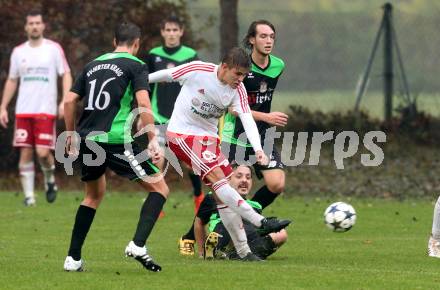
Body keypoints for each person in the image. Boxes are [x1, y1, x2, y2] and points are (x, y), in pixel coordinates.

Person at [149, 47, 291, 261]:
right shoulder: (199, 70)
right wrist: (139, 82)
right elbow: (167, 75)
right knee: (220, 181)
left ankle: (244, 252)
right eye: (238, 74)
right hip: (182, 134)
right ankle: (261, 222)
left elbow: (247, 120)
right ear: (224, 67)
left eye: (244, 75)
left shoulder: (238, 90)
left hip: (209, 140)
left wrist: (259, 150)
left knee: (224, 194)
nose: (241, 79)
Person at [62, 22, 168, 272]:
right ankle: (138, 245)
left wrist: (69, 134)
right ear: (136, 44)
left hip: (88, 138)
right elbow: (143, 102)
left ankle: (73, 259)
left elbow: (68, 101)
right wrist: (152, 138)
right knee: (160, 188)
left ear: (114, 41)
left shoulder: (92, 65)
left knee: (93, 196)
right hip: (115, 140)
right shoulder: (136, 65)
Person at [0, 9, 72, 206]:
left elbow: (66, 73)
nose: (34, 26)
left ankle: (49, 180)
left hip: (45, 109)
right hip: (24, 110)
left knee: (42, 152)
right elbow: (12, 80)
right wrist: (3, 107)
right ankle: (29, 197)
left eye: (37, 23)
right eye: (30, 23)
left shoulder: (53, 49)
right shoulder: (18, 52)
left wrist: (64, 100)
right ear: (26, 27)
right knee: (25, 152)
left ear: (43, 25)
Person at [222, 20, 287, 210]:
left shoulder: (278, 65)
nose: (269, 41)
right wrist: (267, 117)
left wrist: (265, 120)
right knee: (225, 189)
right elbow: (233, 108)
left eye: (272, 37)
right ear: (252, 39)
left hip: (263, 136)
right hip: (236, 135)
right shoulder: (241, 66)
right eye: (263, 36)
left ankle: (249, 215)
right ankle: (191, 236)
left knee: (276, 184)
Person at [143, 15, 203, 213]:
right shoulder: (153, 55)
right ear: (162, 32)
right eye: (167, 30)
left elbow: (197, 85)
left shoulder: (191, 54)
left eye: (174, 30)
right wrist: (144, 114)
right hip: (159, 116)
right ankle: (157, 202)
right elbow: (145, 86)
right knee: (156, 159)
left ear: (181, 32)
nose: (171, 34)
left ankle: (198, 196)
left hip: (184, 119)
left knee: (192, 164)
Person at [179, 164, 288, 259]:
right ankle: (216, 248)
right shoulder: (214, 197)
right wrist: (201, 252)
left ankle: (236, 254)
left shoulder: (255, 204)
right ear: (228, 180)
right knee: (232, 220)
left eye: (248, 177)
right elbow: (199, 222)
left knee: (281, 234)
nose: (244, 180)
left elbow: (275, 188)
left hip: (249, 235)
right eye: (239, 176)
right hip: (223, 231)